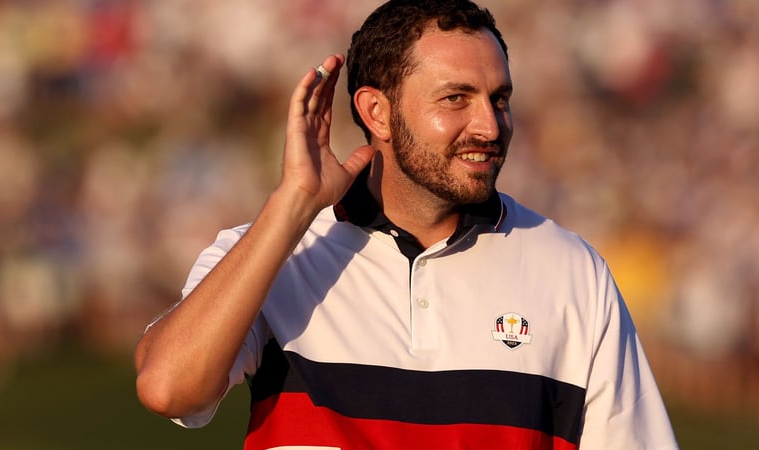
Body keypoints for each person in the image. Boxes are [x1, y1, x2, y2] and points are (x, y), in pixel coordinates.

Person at [135, 1, 679, 448]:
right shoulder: (273, 252)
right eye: (456, 99)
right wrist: (294, 201)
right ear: (375, 113)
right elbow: (169, 389)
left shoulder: (571, 270)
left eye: (500, 98)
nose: (489, 125)